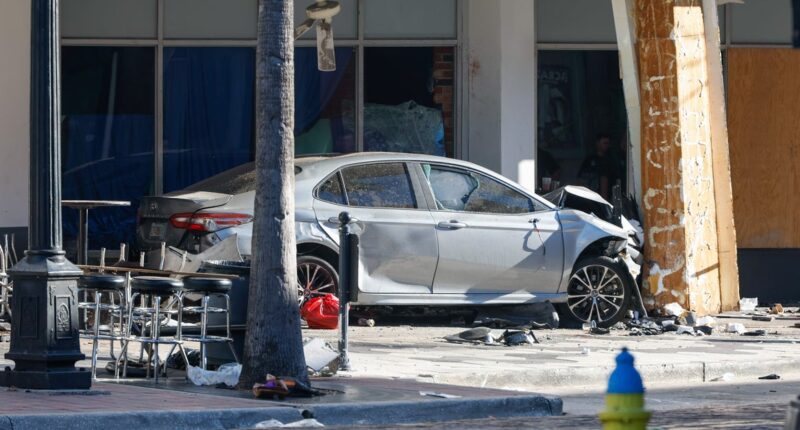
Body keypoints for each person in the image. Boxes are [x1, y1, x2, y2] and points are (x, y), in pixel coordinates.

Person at [578, 134, 617, 200]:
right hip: (591, 195)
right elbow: (581, 178)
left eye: (608, 143)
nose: (607, 146)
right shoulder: (589, 160)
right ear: (598, 143)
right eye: (604, 143)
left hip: (609, 196)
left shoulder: (611, 160)